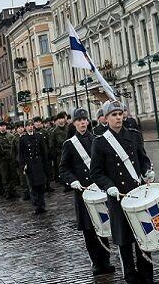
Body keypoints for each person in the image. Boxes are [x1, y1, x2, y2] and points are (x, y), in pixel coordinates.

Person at [89, 100, 154, 284]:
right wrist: (108, 186)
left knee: (143, 235)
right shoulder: (100, 142)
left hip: (137, 194)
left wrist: (148, 171)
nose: (118, 118)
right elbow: (96, 172)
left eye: (120, 114)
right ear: (106, 118)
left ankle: (147, 275)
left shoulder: (133, 135)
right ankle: (130, 276)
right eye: (113, 115)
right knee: (124, 239)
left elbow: (143, 159)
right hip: (117, 197)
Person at [57, 108, 115, 275]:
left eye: (84, 120)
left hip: (99, 190)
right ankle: (96, 263)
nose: (82, 123)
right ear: (74, 123)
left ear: (88, 122)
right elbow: (64, 169)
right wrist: (73, 181)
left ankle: (106, 260)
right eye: (78, 120)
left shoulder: (97, 140)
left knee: (102, 226)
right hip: (82, 192)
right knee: (89, 230)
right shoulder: (69, 144)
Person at [18, 117, 50, 214]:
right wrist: (23, 165)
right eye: (28, 126)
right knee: (33, 186)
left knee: (41, 185)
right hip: (30, 165)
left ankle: (42, 205)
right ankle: (36, 205)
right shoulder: (23, 139)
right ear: (25, 128)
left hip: (39, 163)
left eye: (31, 125)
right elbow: (21, 154)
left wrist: (45, 163)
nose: (30, 127)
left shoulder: (39, 136)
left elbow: (43, 151)